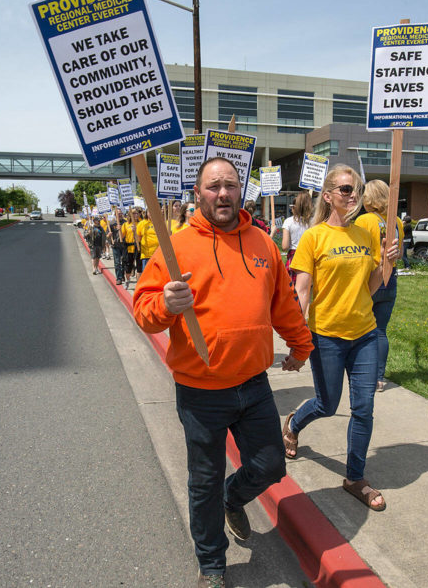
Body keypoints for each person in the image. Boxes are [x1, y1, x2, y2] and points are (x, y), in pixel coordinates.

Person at [133, 157, 313, 588]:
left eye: (230, 185)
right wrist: (165, 305)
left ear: (241, 190)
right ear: (198, 194)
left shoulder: (263, 243)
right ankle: (212, 565)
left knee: (270, 466)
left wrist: (301, 345)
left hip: (254, 385)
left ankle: (234, 499)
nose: (223, 194)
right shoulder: (175, 246)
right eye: (213, 186)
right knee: (204, 481)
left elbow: (283, 304)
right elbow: (145, 311)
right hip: (201, 392)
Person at [285, 164, 396, 512]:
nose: (353, 196)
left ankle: (354, 477)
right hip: (327, 335)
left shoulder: (367, 234)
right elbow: (301, 293)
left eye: (357, 190)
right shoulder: (314, 237)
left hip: (364, 333)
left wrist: (385, 265)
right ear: (329, 195)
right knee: (328, 404)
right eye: (346, 189)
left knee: (363, 408)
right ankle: (293, 425)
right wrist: (298, 342)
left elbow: (371, 287)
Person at [354, 180, 404, 394]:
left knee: (362, 331)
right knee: (381, 331)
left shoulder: (364, 220)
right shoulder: (397, 222)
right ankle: (379, 378)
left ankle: (362, 373)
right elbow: (400, 253)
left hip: (370, 279)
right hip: (390, 279)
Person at [280, 192, 312, 283]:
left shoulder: (288, 222)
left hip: (294, 257)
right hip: (309, 257)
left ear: (294, 207)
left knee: (293, 290)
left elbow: (285, 246)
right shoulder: (314, 222)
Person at [120, 209, 138, 289]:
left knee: (139, 266)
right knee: (128, 266)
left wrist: (136, 231)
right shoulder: (126, 224)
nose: (136, 215)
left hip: (138, 247)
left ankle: (139, 283)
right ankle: (127, 280)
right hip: (129, 248)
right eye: (134, 213)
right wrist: (119, 230)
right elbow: (122, 237)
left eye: (137, 213)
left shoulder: (140, 223)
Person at [109, 208, 126, 285]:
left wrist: (121, 229)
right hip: (115, 245)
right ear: (115, 215)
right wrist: (109, 235)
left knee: (124, 261)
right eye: (118, 213)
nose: (119, 214)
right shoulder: (111, 223)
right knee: (117, 262)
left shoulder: (125, 222)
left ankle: (122, 275)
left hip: (124, 245)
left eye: (120, 213)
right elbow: (107, 234)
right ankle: (118, 278)